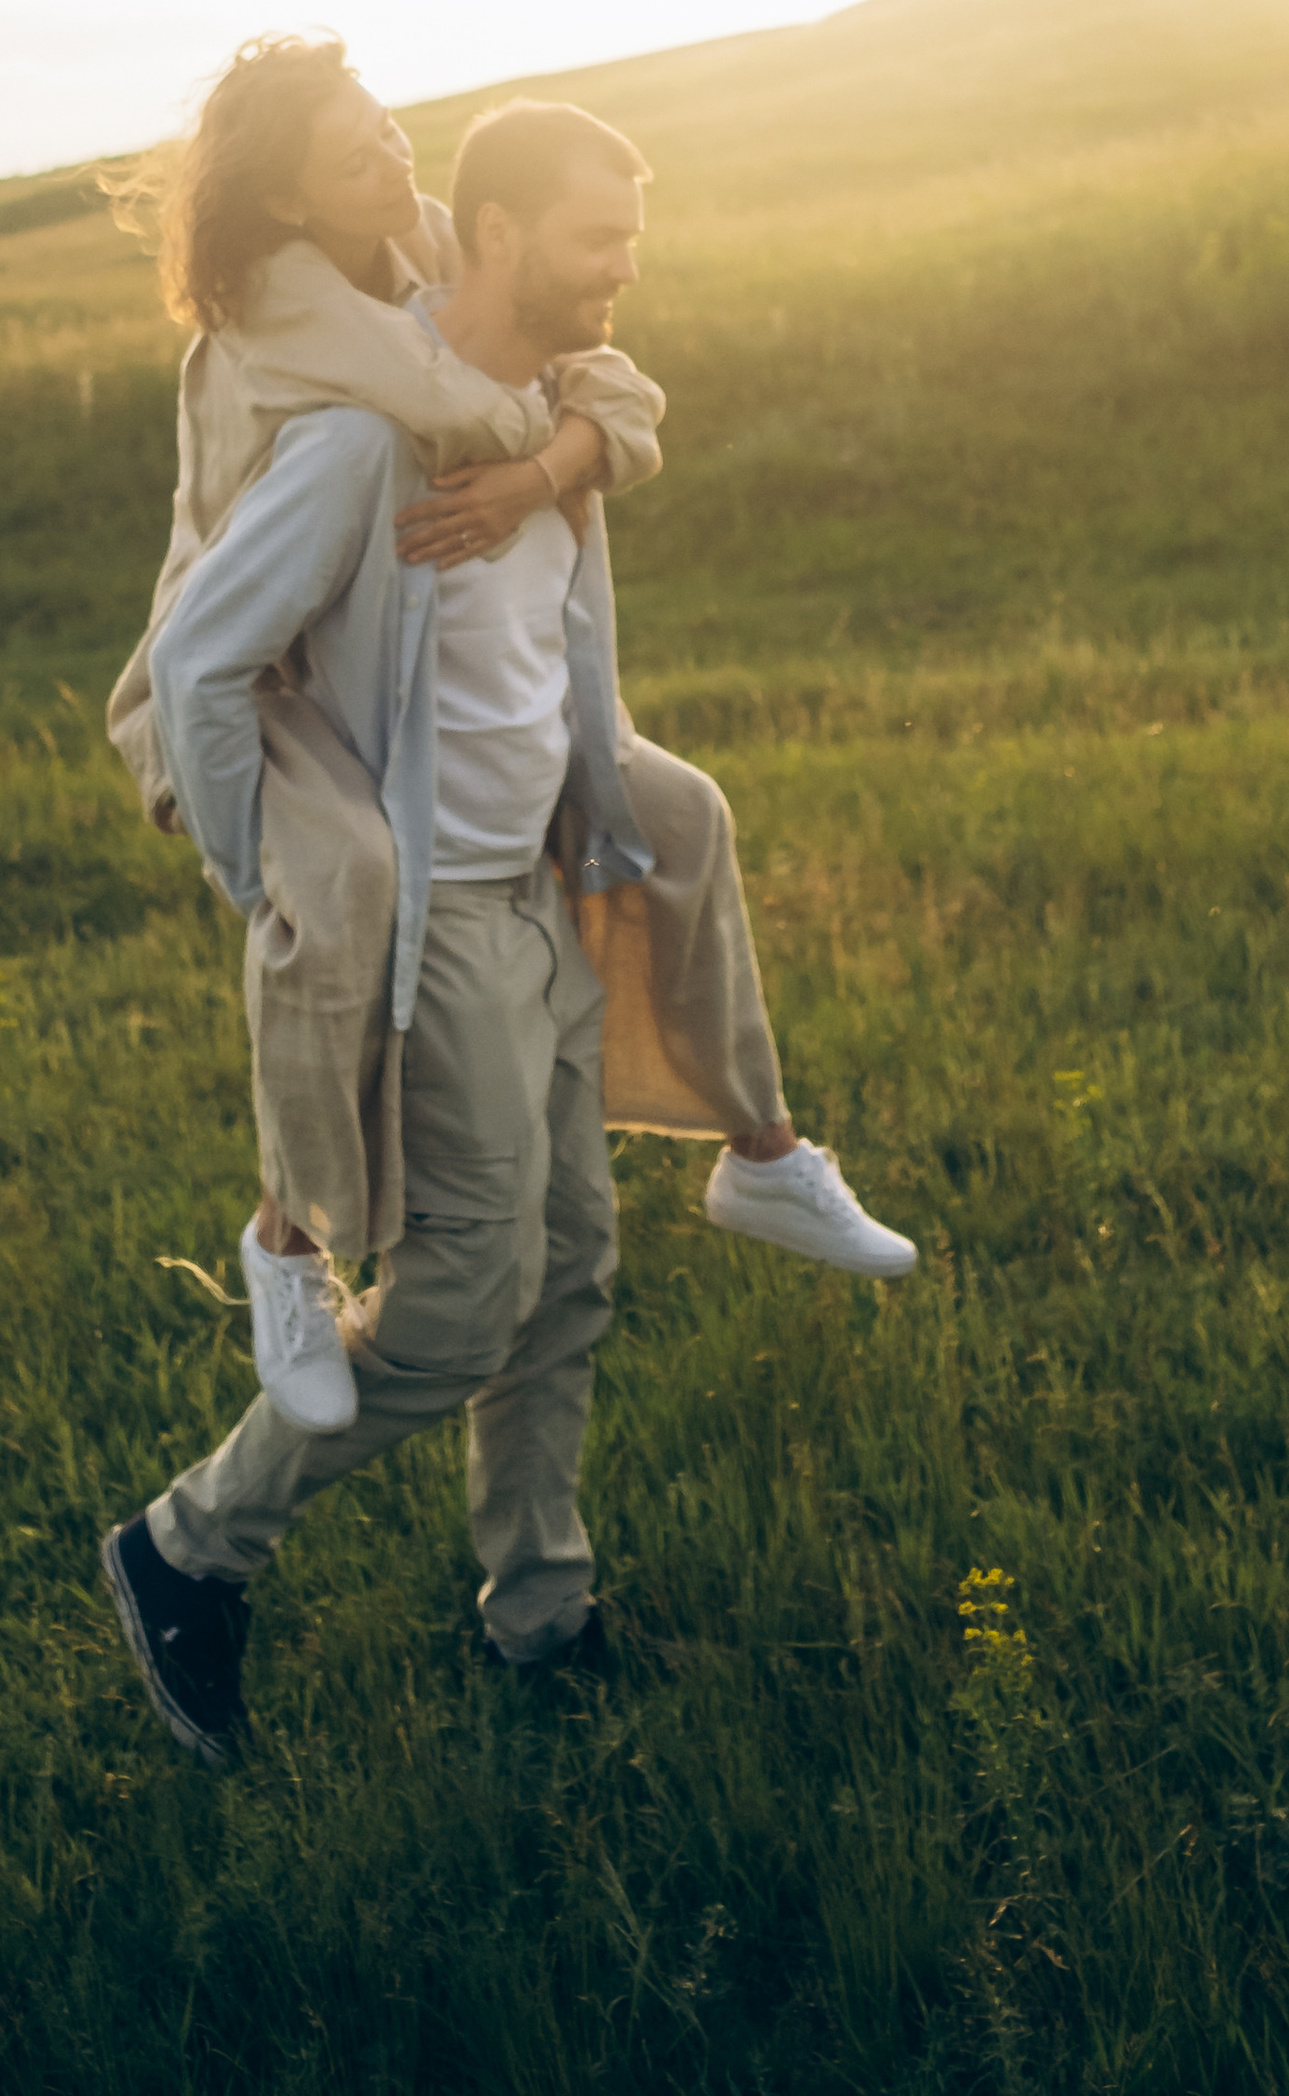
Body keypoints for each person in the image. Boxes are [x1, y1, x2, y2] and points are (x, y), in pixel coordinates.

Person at [100, 85, 914, 1763]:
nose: (624, 269)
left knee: (571, 1277)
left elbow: (619, 426)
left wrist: (562, 454)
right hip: (432, 929)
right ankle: (188, 1547)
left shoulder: (548, 409)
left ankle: (541, 1613)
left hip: (543, 891)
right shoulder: (356, 442)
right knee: (466, 1297)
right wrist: (278, 892)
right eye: (598, 241)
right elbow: (198, 670)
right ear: (497, 237)